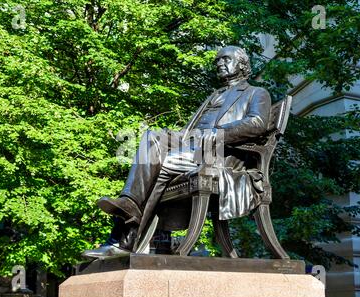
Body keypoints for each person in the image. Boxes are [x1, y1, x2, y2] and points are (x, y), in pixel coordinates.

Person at [82, 45, 272, 259]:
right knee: (151, 138)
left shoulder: (256, 93)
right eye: (216, 60)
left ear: (242, 64)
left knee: (157, 164)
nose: (219, 63)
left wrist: (217, 133)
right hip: (193, 147)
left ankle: (122, 237)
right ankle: (128, 211)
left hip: (219, 153)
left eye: (225, 59)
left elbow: (257, 123)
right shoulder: (214, 96)